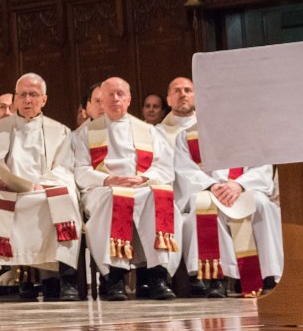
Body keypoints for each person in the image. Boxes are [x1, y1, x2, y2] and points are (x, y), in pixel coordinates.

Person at [0, 73, 81, 304]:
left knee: (66, 198)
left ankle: (66, 277)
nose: (27, 100)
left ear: (44, 100)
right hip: (7, 192)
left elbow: (65, 169)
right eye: (22, 95)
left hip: (44, 191)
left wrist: (43, 184)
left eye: (33, 95)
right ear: (15, 99)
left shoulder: (60, 131)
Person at [171, 78, 283, 298]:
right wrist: (212, 186)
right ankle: (216, 277)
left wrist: (238, 184)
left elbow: (262, 167)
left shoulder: (249, 132)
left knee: (261, 204)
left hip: (243, 189)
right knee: (202, 205)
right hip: (208, 191)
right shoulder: (187, 135)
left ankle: (267, 274)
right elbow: (184, 169)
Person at [72, 77, 180, 300]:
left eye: (120, 94)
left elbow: (164, 167)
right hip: (102, 188)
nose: (115, 99)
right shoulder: (86, 133)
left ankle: (157, 276)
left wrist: (143, 178)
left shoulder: (148, 131)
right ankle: (114, 278)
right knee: (115, 197)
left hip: (141, 184)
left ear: (129, 99)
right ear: (101, 101)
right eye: (109, 95)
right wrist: (110, 180)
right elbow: (80, 170)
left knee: (159, 194)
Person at [159, 76, 196, 148]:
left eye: (187, 90)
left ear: (196, 97)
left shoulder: (208, 128)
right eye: (177, 91)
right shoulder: (158, 133)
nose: (183, 95)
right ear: (168, 101)